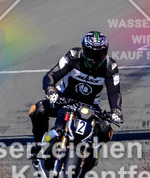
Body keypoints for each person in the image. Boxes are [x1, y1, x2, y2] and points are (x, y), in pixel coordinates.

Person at [29, 31, 123, 162]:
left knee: (106, 131)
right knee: (37, 110)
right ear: (84, 50)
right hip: (63, 100)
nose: (97, 57)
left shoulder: (110, 66)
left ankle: (92, 157)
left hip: (91, 106)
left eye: (101, 53)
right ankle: (37, 145)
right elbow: (51, 75)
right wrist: (51, 89)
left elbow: (114, 92)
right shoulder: (73, 56)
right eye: (92, 53)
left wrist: (116, 110)